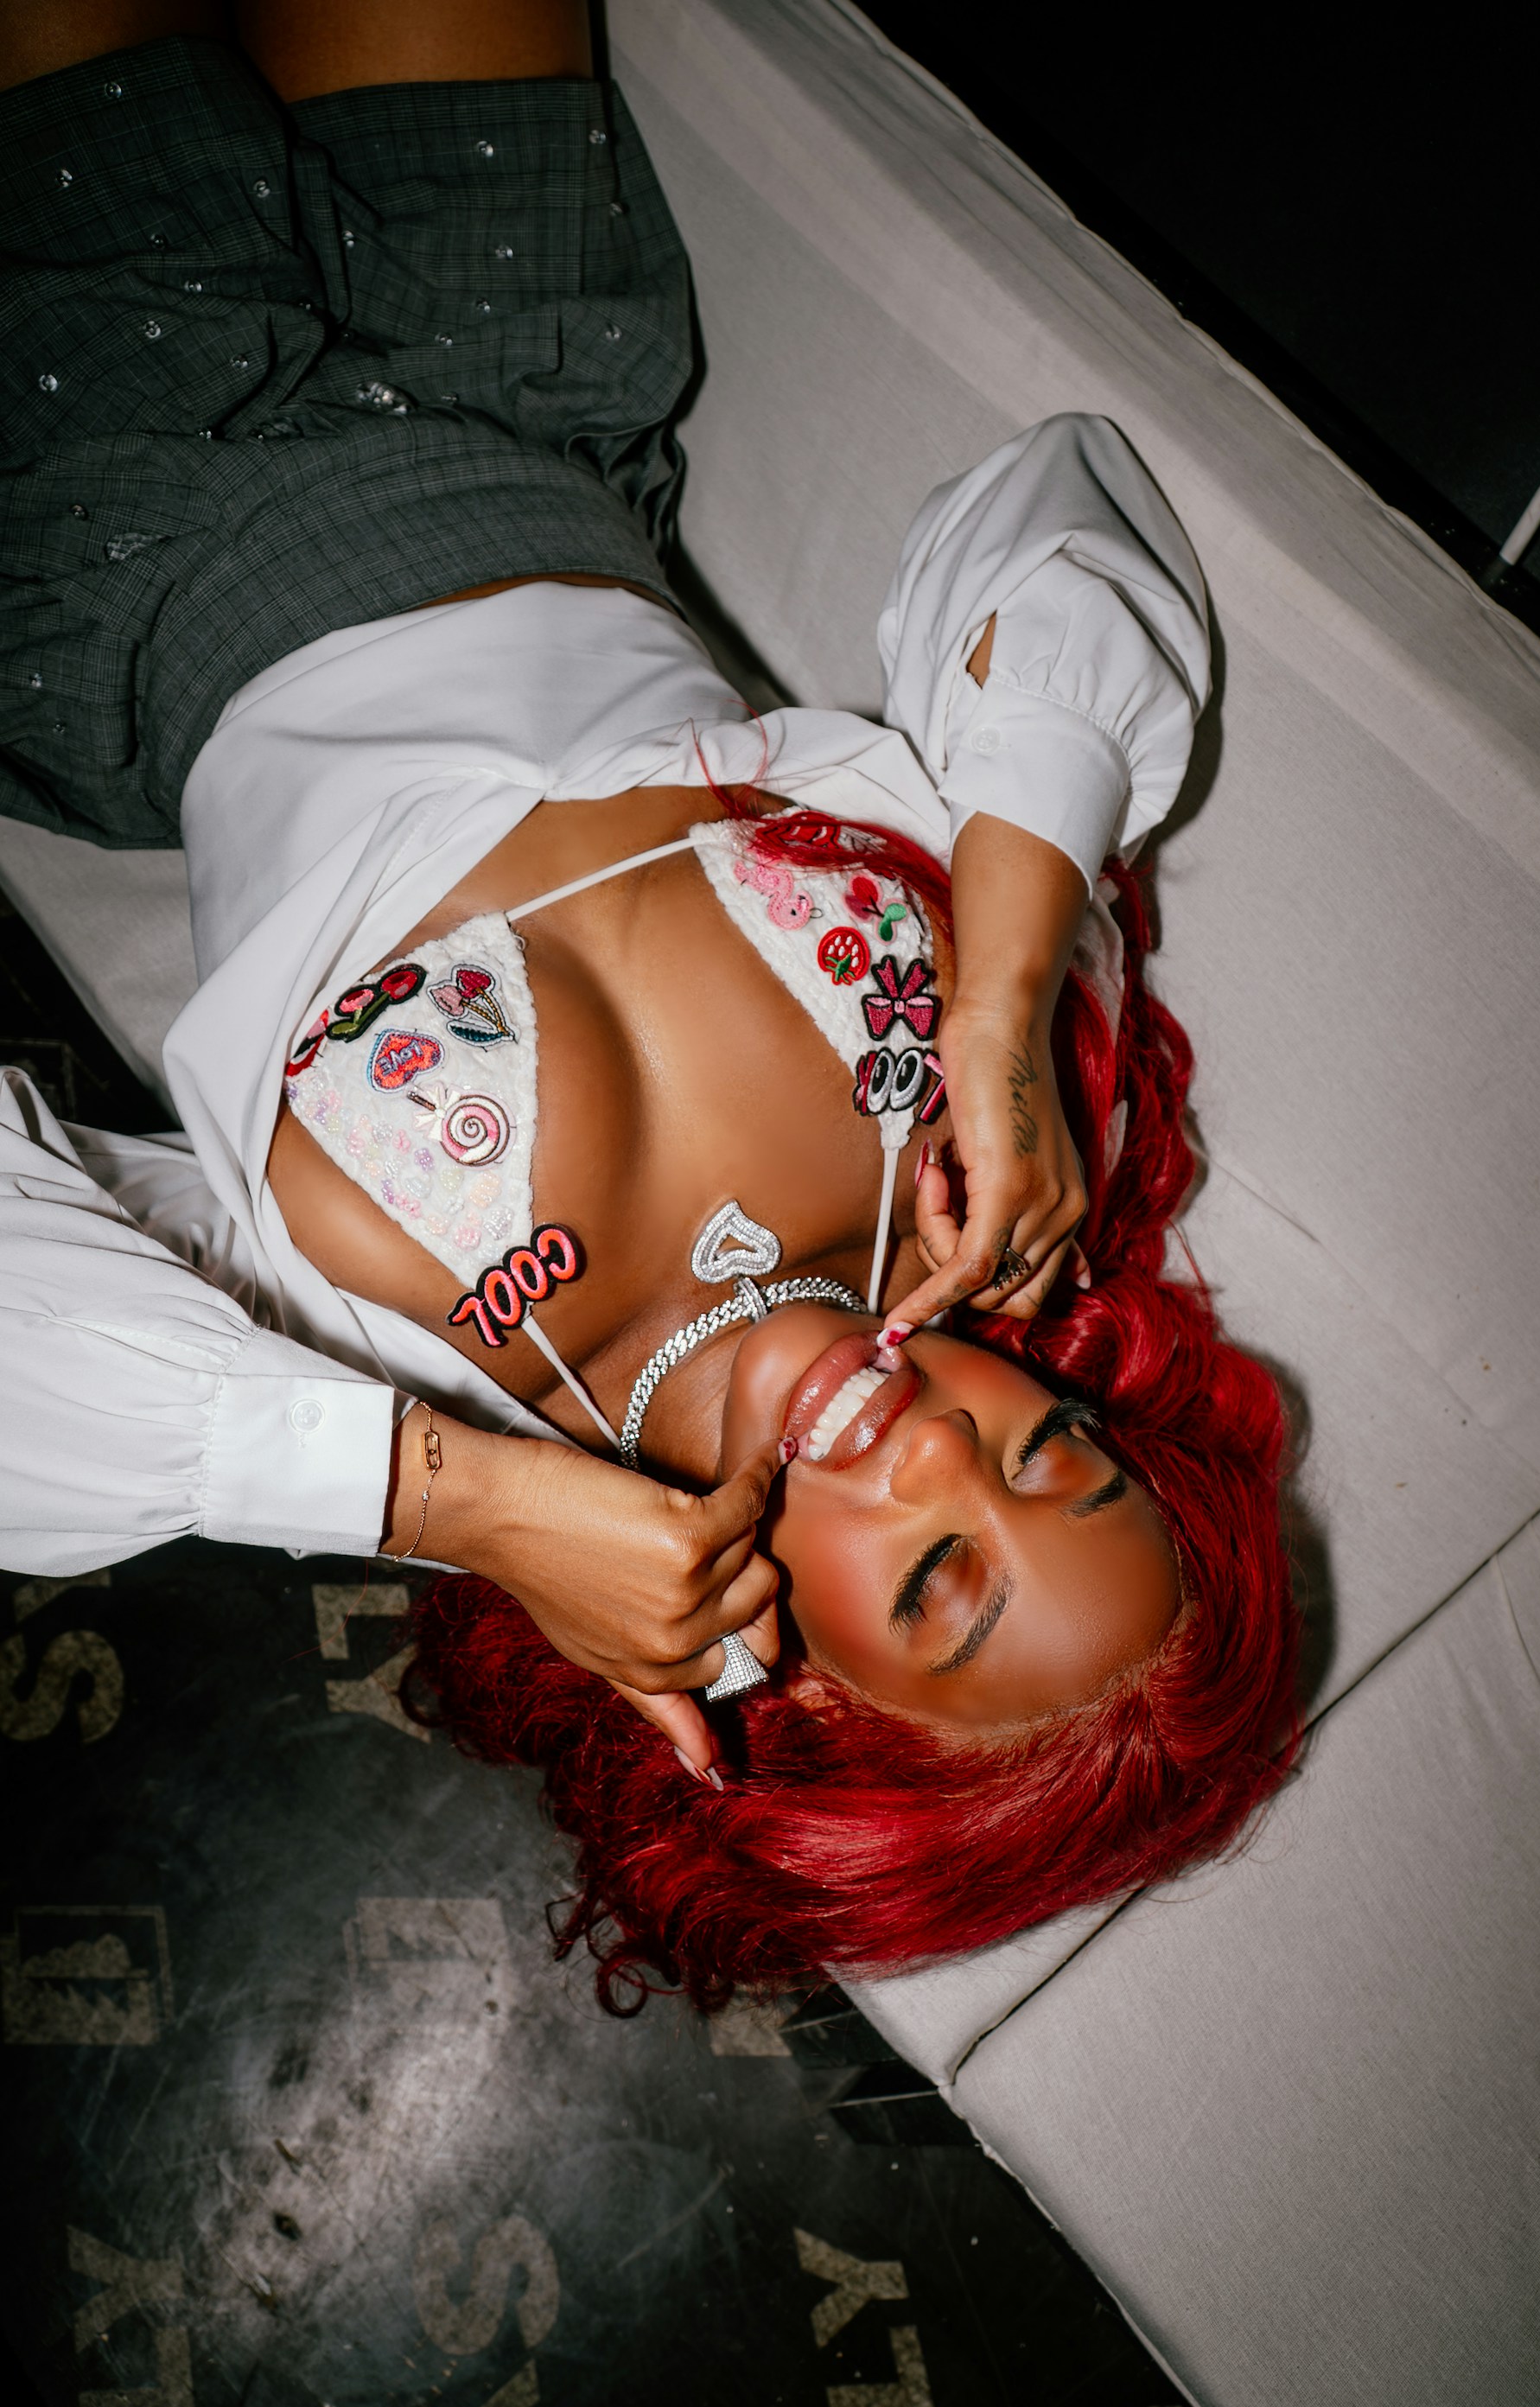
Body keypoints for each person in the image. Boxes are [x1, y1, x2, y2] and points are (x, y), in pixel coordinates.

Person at [0, 0, 1299, 2007]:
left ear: (812, 1692)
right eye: (1058, 1456)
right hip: (531, 383)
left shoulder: (421, 1413)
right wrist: (1009, 987)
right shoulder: (1008, 1149)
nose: (944, 1447)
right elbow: (1058, 503)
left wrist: (458, 1505)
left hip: (125, 510)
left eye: (939, 1579)